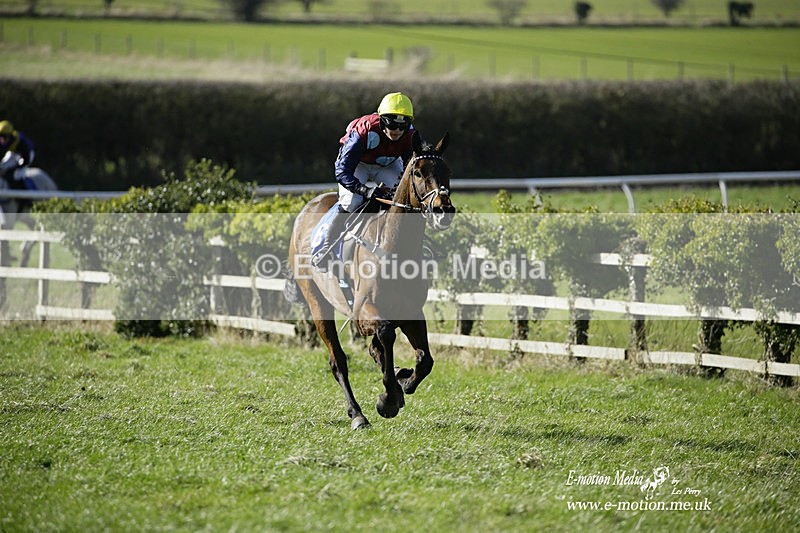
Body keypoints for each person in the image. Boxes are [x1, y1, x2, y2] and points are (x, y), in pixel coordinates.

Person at [312, 92, 418, 270]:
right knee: (351, 202)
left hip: (387, 164)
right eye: (392, 124)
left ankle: (412, 246)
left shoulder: (411, 135)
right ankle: (326, 247)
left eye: (403, 126)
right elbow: (342, 171)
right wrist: (365, 190)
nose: (398, 130)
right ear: (382, 120)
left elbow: (414, 166)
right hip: (358, 164)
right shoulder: (364, 131)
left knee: (401, 199)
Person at [0, 120, 36, 187]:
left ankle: (23, 192)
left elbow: (26, 159)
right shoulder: (4, 140)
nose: (1, 140)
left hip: (26, 155)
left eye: (4, 137)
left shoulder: (21, 142)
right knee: (2, 167)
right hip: (13, 152)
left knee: (16, 175)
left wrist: (15, 168)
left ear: (9, 135)